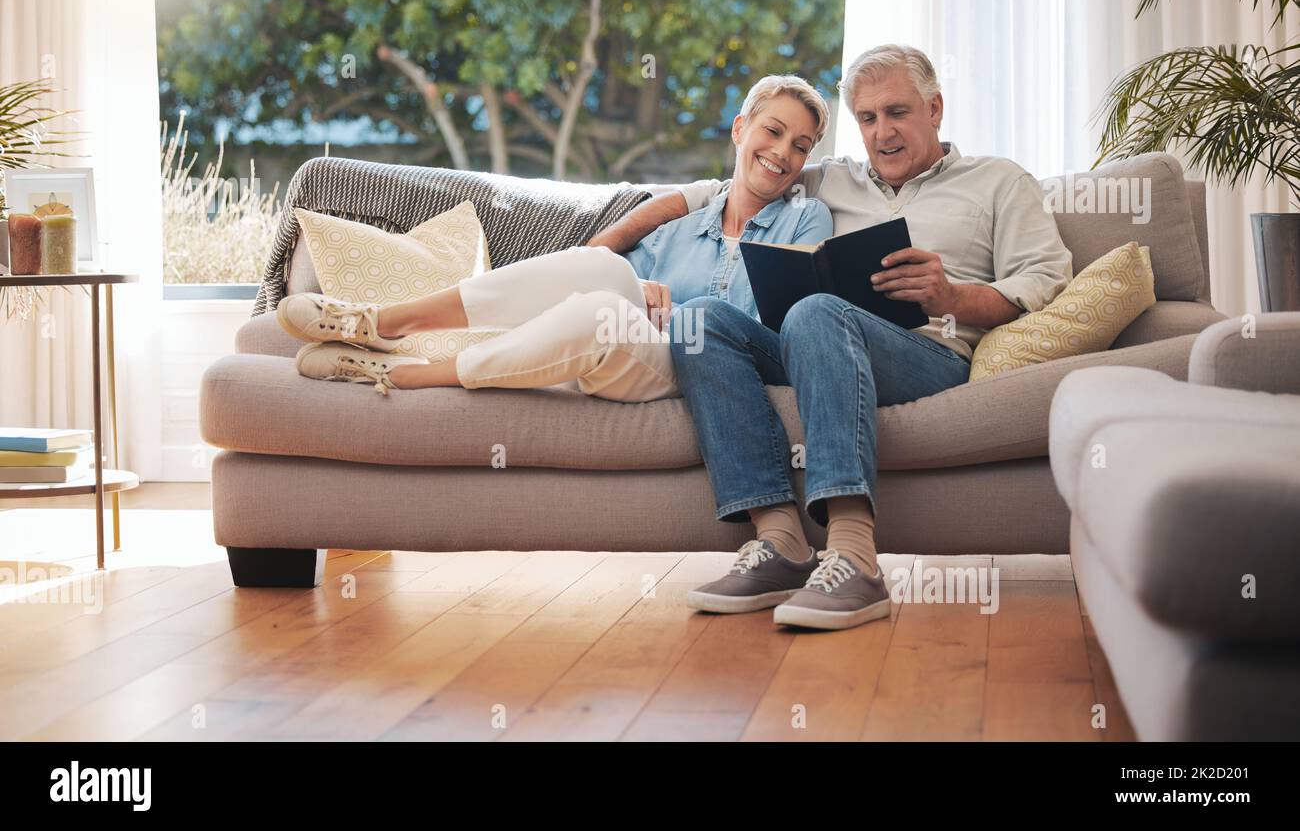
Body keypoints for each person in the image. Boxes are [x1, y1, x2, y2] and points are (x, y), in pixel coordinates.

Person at [595, 44, 1073, 630]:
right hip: (814, 346)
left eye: (897, 112)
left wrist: (951, 297)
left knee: (819, 309)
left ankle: (855, 557)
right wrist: (615, 243)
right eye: (867, 119)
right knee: (699, 321)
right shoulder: (826, 180)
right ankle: (780, 544)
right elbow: (734, 182)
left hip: (927, 352)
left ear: (935, 108)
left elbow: (1047, 279)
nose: (882, 133)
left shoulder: (999, 181)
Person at [276, 74, 834, 402]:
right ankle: (384, 321)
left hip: (700, 362)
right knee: (604, 280)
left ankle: (403, 374)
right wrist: (639, 287)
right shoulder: (681, 223)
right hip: (633, 339)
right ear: (741, 130)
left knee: (606, 304)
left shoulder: (807, 219)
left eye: (802, 146)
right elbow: (594, 267)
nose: (784, 153)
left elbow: (786, 323)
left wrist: (692, 312)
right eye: (774, 131)